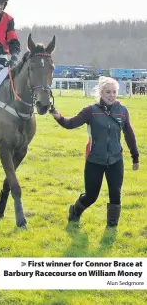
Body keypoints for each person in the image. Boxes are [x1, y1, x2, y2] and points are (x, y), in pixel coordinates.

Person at [50, 76, 139, 227]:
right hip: (94, 160)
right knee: (91, 196)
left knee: (115, 194)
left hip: (116, 160)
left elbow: (129, 134)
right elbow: (70, 124)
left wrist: (135, 156)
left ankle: (111, 227)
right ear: (100, 93)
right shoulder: (91, 111)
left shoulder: (122, 111)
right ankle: (75, 211)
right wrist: (58, 116)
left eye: (114, 92)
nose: (111, 95)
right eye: (107, 92)